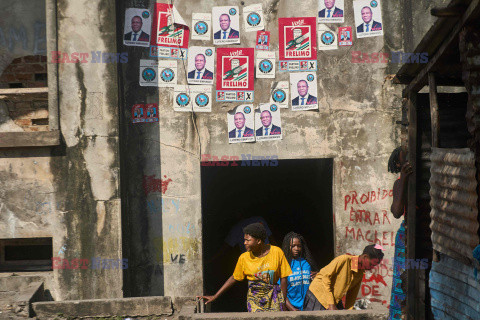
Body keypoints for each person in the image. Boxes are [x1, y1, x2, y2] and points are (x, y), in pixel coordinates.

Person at [198, 223, 293, 312]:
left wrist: (282, 302)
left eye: (248, 240)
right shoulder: (244, 257)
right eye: (244, 240)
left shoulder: (277, 252)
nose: (244, 243)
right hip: (254, 299)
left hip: (274, 297)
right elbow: (234, 277)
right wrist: (215, 296)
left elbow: (283, 278)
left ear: (259, 241)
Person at [303, 244, 384, 311]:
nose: (372, 267)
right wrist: (331, 304)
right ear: (365, 257)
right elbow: (325, 278)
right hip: (317, 296)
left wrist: (349, 312)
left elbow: (352, 294)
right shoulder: (344, 260)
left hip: (333, 300)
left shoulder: (360, 272)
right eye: (371, 264)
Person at [387, 146, 411, 320]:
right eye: (405, 156)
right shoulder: (399, 182)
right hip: (406, 238)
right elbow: (396, 211)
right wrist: (403, 180)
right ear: (398, 163)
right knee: (403, 279)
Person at [279, 232, 318, 311]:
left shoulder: (307, 263)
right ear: (287, 246)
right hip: (291, 308)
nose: (296, 249)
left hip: (309, 306)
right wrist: (292, 309)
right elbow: (281, 293)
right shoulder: (283, 264)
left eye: (299, 246)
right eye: (293, 246)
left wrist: (318, 275)